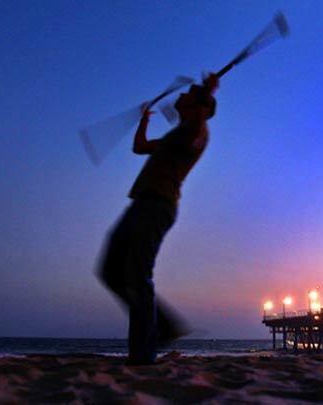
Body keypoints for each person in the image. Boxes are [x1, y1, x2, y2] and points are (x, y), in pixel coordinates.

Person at [98, 73, 219, 365]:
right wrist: (144, 119)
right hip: (142, 203)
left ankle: (143, 354)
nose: (182, 95)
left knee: (138, 276)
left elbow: (196, 124)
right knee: (110, 269)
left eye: (189, 94)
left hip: (158, 206)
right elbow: (139, 147)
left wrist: (207, 92)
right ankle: (163, 327)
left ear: (198, 108)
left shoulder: (197, 133)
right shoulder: (173, 137)